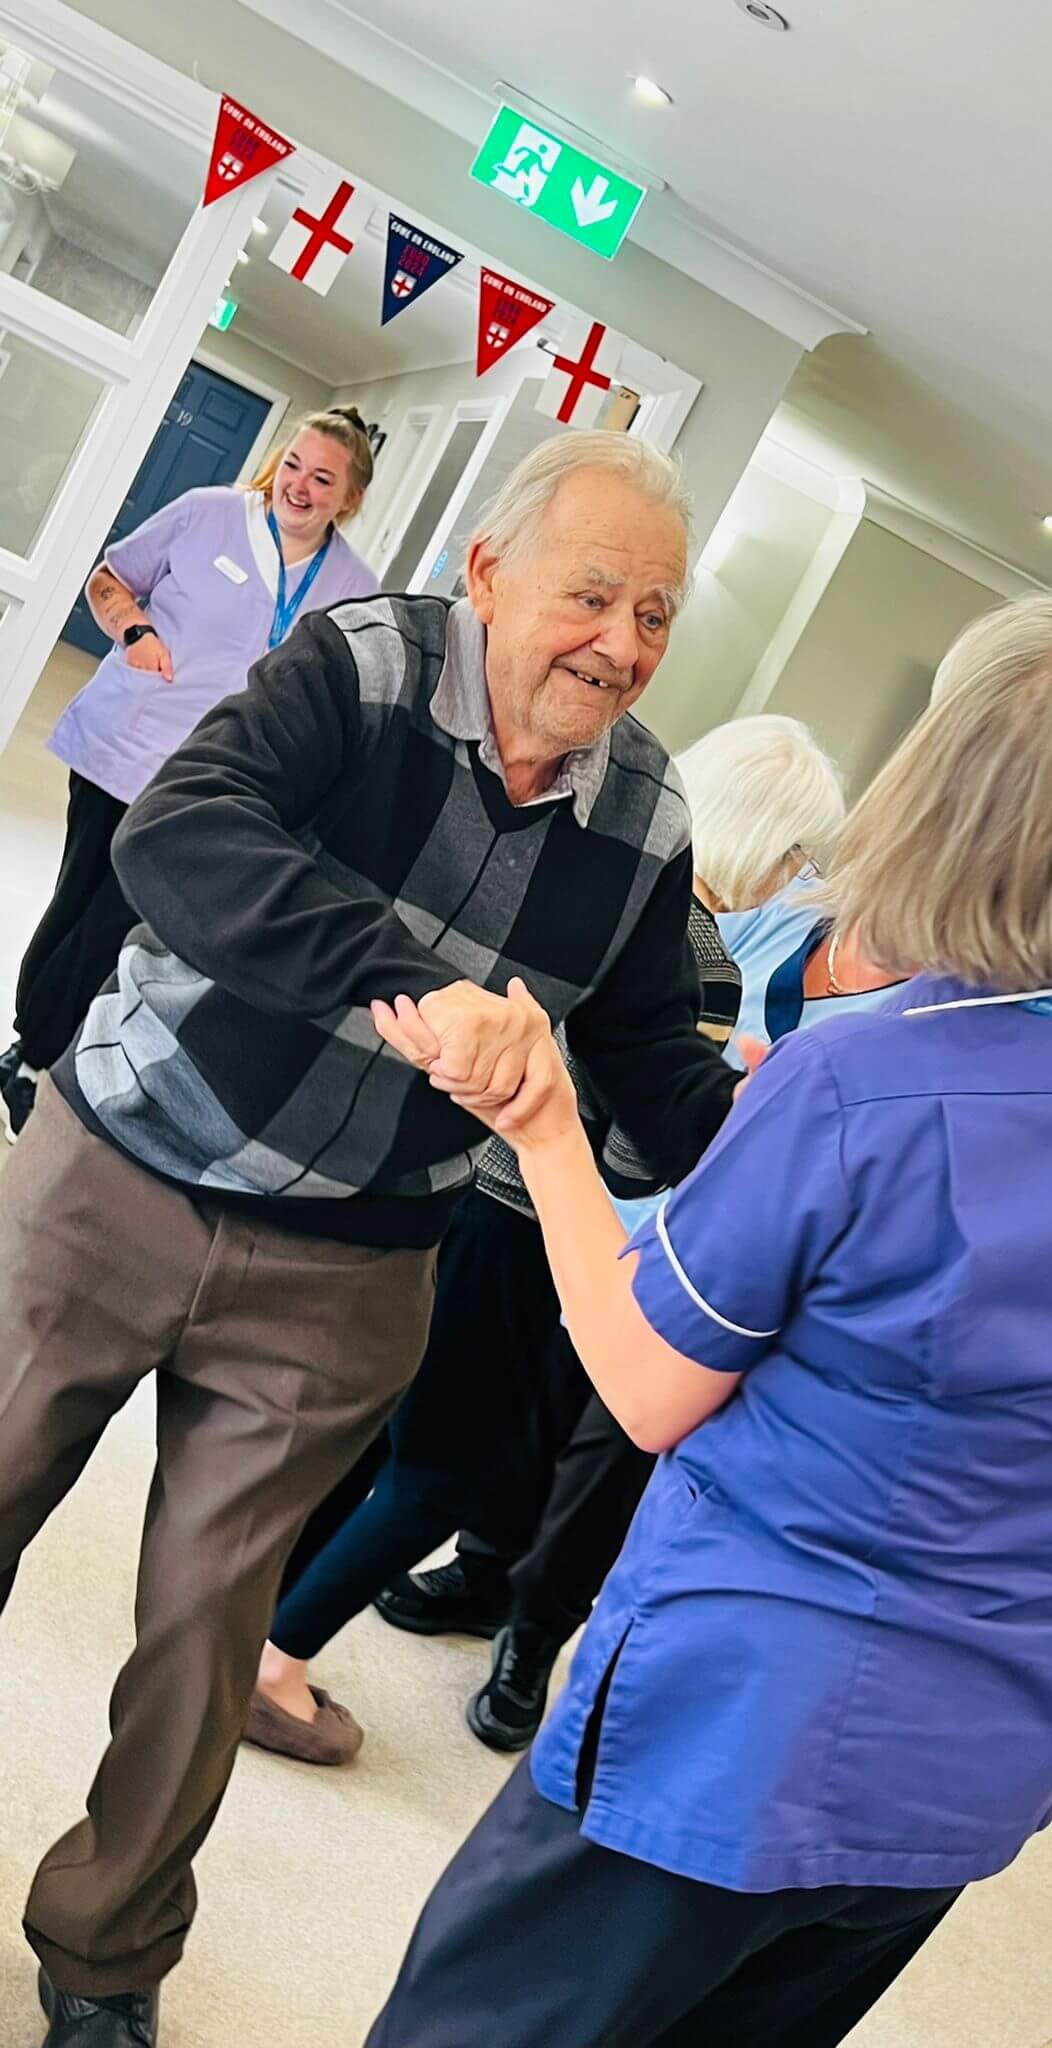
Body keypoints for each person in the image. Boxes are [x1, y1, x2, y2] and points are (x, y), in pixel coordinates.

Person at [364, 591, 1052, 2048]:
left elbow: (646, 1385)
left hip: (740, 1731)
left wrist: (546, 1120)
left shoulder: (861, 1089)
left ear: (941, 791)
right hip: (973, 1759)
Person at [0, 430, 739, 2048]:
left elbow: (646, 1050)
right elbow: (181, 835)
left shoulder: (647, 813)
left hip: (343, 1273)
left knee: (205, 1640)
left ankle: (105, 1964)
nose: (623, 643)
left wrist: (791, 1139)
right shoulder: (359, 668)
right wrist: (415, 984)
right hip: (121, 1167)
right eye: (593, 593)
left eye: (659, 614)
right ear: (488, 571)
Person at [253, 713, 848, 1759]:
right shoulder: (697, 959)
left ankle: (251, 1627)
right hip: (530, 1226)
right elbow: (635, 1151)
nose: (798, 879)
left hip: (455, 1191)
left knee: (384, 1433)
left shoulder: (606, 900)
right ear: (770, 838)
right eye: (800, 854)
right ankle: (277, 1661)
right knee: (445, 1471)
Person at [0, 408, 381, 1139]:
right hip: (128, 741)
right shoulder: (208, 514)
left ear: (348, 498)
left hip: (214, 780)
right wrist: (136, 633)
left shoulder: (353, 588)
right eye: (294, 464)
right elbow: (111, 578)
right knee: (81, 896)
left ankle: (35, 1052)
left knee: (121, 913)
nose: (299, 485)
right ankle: (33, 1047)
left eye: (322, 477)